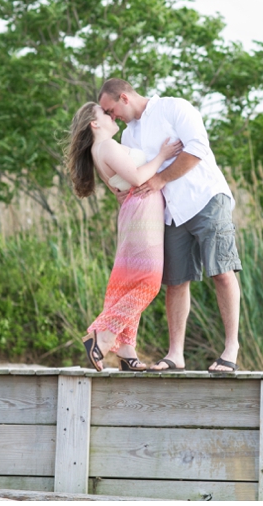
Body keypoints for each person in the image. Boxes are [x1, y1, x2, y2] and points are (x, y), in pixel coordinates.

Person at [98, 78, 242, 374]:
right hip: (170, 213)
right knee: (175, 282)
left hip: (205, 198)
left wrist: (160, 179)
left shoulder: (174, 107)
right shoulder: (128, 138)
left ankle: (231, 350)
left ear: (124, 97)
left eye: (111, 110)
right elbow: (134, 177)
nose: (112, 118)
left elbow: (198, 149)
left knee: (222, 272)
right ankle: (175, 354)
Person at [65, 101, 182, 371]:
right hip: (142, 213)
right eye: (104, 114)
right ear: (95, 124)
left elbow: (122, 186)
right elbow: (139, 177)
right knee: (149, 281)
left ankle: (127, 351)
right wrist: (162, 156)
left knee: (128, 283)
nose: (110, 115)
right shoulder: (105, 145)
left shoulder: (100, 149)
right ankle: (102, 335)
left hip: (136, 211)